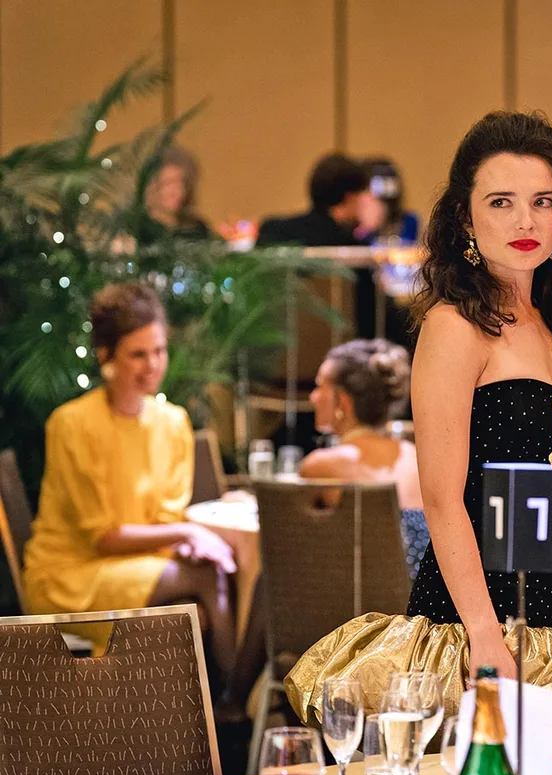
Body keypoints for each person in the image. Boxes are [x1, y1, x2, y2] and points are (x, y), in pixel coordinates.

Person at [285, 111, 552, 722]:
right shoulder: (453, 326)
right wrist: (485, 636)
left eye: (542, 201)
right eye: (501, 202)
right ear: (466, 217)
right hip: (473, 621)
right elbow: (441, 497)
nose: (525, 221)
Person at [22, 283, 237, 683]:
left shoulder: (172, 422)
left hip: (140, 566)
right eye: (138, 354)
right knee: (208, 575)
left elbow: (163, 519)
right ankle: (233, 703)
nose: (153, 365)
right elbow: (103, 537)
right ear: (106, 357)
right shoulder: (73, 424)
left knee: (215, 580)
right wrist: (188, 531)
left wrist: (185, 535)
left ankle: (192, 718)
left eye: (159, 351)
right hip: (73, 575)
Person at [300, 339, 427, 576]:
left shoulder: (322, 464)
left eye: (320, 387)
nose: (313, 397)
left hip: (364, 599)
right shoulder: (414, 455)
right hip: (423, 593)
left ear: (343, 402)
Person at [257, 154, 407, 345]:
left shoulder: (271, 233)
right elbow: (377, 320)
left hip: (276, 360)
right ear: (351, 198)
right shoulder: (352, 252)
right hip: (341, 364)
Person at [140, 147, 211, 242]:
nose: (177, 192)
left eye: (182, 184)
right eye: (168, 183)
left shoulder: (197, 229)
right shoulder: (138, 230)